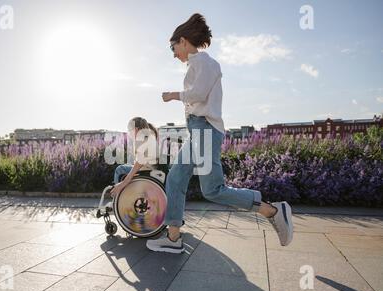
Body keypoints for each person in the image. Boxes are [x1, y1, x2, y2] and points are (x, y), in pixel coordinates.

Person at [146, 13, 294, 254]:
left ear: (183, 41)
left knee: (213, 189)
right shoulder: (197, 64)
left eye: (173, 48)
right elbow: (197, 97)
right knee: (175, 178)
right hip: (197, 130)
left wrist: (173, 95)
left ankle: (273, 211)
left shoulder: (205, 62)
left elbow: (199, 94)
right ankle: (172, 237)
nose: (173, 53)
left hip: (205, 128)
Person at [110, 117, 160, 197]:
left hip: (145, 171)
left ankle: (116, 195)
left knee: (120, 169)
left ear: (136, 129)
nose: (129, 133)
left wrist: (123, 183)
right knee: (126, 166)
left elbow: (139, 163)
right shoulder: (149, 137)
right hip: (150, 169)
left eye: (129, 130)